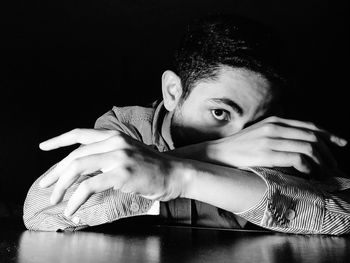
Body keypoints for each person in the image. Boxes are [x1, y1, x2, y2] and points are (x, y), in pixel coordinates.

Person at [24, 15, 350, 234]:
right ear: (172, 92)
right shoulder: (125, 129)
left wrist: (177, 174)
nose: (244, 137)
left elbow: (343, 216)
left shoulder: (278, 139)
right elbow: (40, 212)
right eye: (220, 113)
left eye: (258, 121)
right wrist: (212, 154)